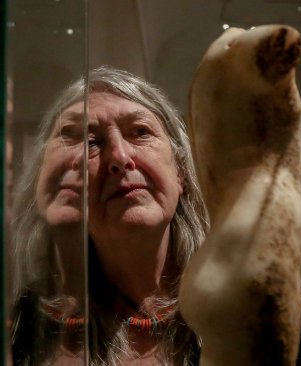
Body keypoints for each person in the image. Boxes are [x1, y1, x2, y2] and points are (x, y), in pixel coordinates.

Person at [10, 66, 208, 365]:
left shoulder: (236, 305)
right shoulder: (23, 323)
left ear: (179, 170)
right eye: (90, 142)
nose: (119, 157)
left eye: (141, 132)